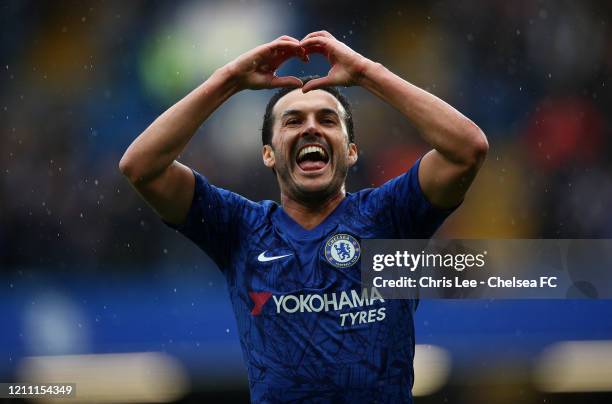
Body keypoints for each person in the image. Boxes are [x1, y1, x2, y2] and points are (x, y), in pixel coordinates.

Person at [119, 31, 488, 403]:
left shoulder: (389, 217)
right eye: (293, 121)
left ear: (352, 151)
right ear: (268, 153)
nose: (311, 127)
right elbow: (141, 167)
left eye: (327, 120)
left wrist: (364, 72)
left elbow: (466, 149)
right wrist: (228, 79)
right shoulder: (240, 229)